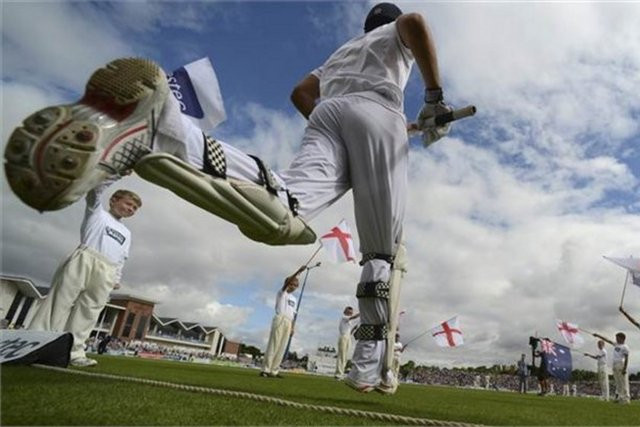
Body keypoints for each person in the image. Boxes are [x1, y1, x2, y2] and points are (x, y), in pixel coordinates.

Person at [5, 3, 454, 394]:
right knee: (381, 250)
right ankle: (368, 368)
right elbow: (415, 21)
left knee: (284, 210)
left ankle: (170, 131)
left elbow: (301, 92)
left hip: (329, 114)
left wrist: (352, 123)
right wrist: (432, 99)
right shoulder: (394, 34)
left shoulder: (341, 54)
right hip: (380, 111)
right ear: (388, 24)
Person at [28, 179, 141, 367]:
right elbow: (95, 190)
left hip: (108, 269)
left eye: (135, 208)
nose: (131, 209)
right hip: (86, 256)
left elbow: (122, 257)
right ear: (114, 200)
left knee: (90, 310)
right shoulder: (97, 213)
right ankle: (38, 345)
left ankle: (74, 352)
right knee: (61, 300)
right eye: (129, 203)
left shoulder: (126, 233)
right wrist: (116, 174)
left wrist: (116, 277)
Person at [260, 265, 306, 378]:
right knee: (274, 344)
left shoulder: (294, 299)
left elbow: (294, 315)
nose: (294, 287)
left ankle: (274, 370)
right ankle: (266, 369)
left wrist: (292, 327)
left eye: (296, 285)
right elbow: (286, 284)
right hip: (280, 318)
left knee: (282, 347)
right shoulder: (282, 293)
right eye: (292, 284)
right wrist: (298, 271)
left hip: (288, 322)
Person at [593, 331, 630, 404]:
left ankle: (626, 399)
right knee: (618, 382)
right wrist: (598, 335)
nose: (616, 339)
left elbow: (626, 358)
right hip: (615, 364)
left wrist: (625, 368)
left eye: (617, 338)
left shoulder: (625, 347)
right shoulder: (616, 344)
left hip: (621, 364)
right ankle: (620, 397)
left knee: (623, 382)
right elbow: (607, 340)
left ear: (622, 338)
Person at [335, 306, 360, 380]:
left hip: (347, 337)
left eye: (351, 312)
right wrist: (362, 312)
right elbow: (354, 317)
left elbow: (349, 331)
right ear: (345, 311)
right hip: (343, 337)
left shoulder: (349, 321)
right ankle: (338, 374)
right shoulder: (344, 317)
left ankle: (341, 373)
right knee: (341, 355)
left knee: (345, 356)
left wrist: (354, 329)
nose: (350, 313)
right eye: (349, 311)